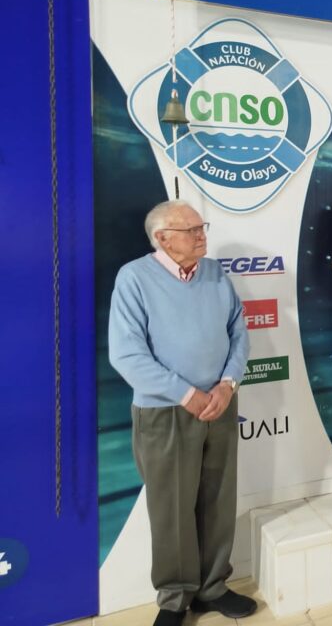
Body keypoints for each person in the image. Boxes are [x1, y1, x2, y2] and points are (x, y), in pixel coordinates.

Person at [108, 200, 255, 626]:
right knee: (172, 508)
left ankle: (213, 588)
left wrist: (227, 384)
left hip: (220, 404)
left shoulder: (214, 273)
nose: (201, 234)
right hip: (166, 412)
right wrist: (186, 394)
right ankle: (174, 599)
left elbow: (238, 330)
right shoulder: (134, 278)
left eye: (201, 227)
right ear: (162, 238)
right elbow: (127, 354)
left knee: (217, 499)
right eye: (191, 230)